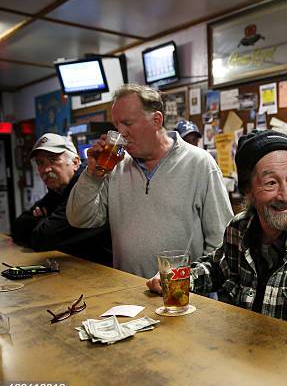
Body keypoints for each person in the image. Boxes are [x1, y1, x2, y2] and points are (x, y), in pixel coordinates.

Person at [146, 130, 287, 351]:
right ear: (248, 191)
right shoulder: (238, 228)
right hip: (243, 362)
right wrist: (180, 278)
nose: (285, 195)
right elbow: (217, 268)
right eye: (271, 183)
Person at [67, 84, 233, 278]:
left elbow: (221, 241)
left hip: (183, 297)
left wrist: (193, 283)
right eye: (117, 125)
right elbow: (80, 219)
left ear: (156, 120)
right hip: (128, 294)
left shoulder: (199, 163)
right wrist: (93, 175)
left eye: (128, 124)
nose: (121, 133)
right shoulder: (116, 167)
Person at [12, 133, 112, 265]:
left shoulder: (86, 187)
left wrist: (41, 220)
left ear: (75, 162)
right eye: (40, 163)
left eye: (53, 160)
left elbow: (43, 238)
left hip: (106, 274)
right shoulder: (57, 191)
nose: (46, 169)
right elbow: (18, 227)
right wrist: (42, 222)